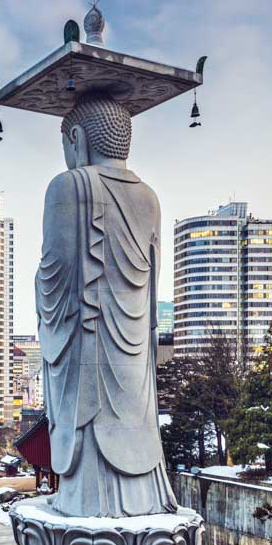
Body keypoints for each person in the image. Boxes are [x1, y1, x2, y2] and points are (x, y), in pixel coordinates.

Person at [37, 91, 176, 518]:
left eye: (66, 147)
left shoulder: (69, 186)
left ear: (76, 138)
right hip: (135, 356)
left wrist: (39, 285)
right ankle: (144, 501)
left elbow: (54, 277)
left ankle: (86, 502)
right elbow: (150, 295)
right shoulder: (149, 196)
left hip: (88, 351)